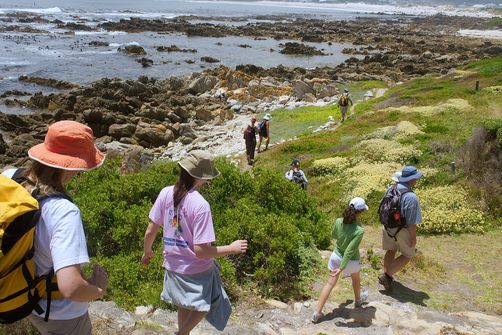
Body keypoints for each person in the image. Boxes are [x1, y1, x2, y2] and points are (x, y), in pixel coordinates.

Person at [6, 121, 108, 335]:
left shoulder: (10, 177)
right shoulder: (64, 211)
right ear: (74, 165)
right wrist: (98, 289)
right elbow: (71, 287)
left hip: (21, 292)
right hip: (60, 313)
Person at [142, 150, 248, 335]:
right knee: (202, 305)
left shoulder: (165, 193)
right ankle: (181, 334)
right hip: (197, 270)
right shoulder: (200, 205)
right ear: (201, 177)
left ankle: (184, 332)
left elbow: (151, 230)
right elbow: (200, 251)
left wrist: (147, 251)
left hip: (173, 265)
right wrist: (231, 248)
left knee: (185, 303)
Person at [312, 197, 369, 323]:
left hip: (335, 257)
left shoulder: (338, 221)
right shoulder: (359, 230)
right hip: (351, 261)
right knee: (356, 279)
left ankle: (317, 313)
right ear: (360, 213)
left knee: (329, 284)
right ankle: (358, 301)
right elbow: (350, 251)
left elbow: (334, 235)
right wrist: (342, 268)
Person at [378, 166, 423, 291]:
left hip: (388, 226)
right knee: (408, 254)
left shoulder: (390, 188)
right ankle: (386, 276)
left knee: (391, 250)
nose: (417, 180)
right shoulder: (411, 197)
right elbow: (411, 222)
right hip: (402, 230)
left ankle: (387, 276)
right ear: (412, 179)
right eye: (416, 178)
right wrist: (413, 237)